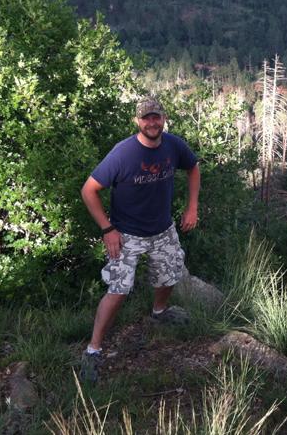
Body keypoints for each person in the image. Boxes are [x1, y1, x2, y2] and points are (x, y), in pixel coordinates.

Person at [80, 96, 200, 381]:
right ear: (138, 121)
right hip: (126, 234)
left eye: (156, 117)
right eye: (146, 118)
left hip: (163, 229)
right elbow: (88, 190)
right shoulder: (123, 153)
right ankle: (93, 350)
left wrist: (192, 207)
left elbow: (193, 167)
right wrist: (108, 229)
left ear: (164, 118)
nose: (152, 123)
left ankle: (159, 312)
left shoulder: (173, 145)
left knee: (169, 274)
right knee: (118, 290)